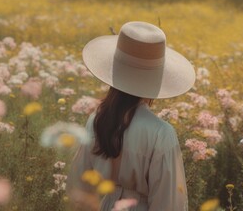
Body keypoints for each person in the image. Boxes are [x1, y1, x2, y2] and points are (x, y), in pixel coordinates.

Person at [66, 21, 196, 211]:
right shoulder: (161, 133)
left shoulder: (96, 121)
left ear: (115, 70)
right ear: (156, 78)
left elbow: (79, 189)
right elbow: (169, 203)